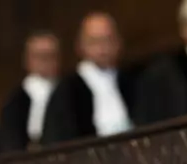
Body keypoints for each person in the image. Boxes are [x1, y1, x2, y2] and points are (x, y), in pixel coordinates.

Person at [41, 12, 136, 145]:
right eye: (94, 41)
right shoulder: (67, 91)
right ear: (80, 46)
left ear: (118, 42)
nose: (102, 48)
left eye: (107, 40)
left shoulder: (132, 82)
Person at [1, 31, 61, 151]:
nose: (44, 62)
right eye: (39, 56)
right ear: (27, 59)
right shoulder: (15, 100)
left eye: (49, 56)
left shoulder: (67, 94)